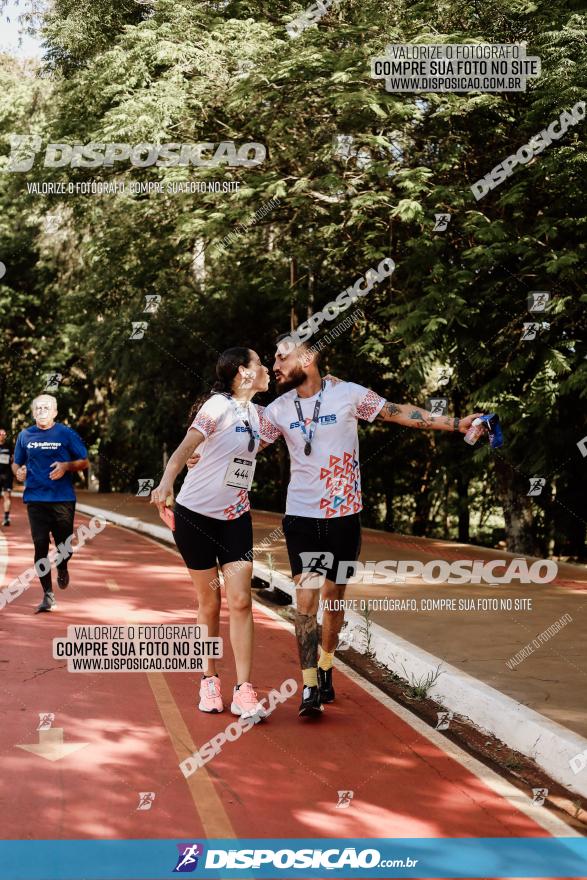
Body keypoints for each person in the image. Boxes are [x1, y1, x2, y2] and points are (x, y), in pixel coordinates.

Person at [257, 335, 482, 717]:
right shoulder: (278, 409)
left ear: (307, 358)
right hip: (302, 518)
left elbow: (398, 412)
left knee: (334, 599)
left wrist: (455, 424)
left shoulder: (347, 395)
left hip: (344, 519)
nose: (275, 364)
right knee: (306, 601)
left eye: (282, 356)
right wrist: (199, 454)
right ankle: (310, 685)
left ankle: (327, 664)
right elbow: (245, 447)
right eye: (274, 357)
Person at [150, 348, 270, 721]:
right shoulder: (217, 406)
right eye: (259, 364)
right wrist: (166, 484)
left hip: (235, 518)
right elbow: (184, 447)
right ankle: (209, 680)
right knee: (209, 603)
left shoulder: (260, 415)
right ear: (243, 373)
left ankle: (244, 690)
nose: (266, 369)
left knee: (241, 602)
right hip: (195, 517)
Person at [12, 395, 89, 613]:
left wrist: (65, 466)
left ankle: (63, 567)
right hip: (35, 499)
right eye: (38, 407)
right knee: (40, 545)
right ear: (33, 411)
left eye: (46, 407)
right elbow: (16, 463)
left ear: (55, 412)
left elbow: (84, 461)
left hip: (62, 498)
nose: (42, 410)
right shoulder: (24, 435)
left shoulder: (66, 433)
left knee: (64, 547)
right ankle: (48, 594)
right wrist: (18, 472)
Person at [0, 428, 13, 527]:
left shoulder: (9, 446)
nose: (2, 435)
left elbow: (13, 459)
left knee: (7, 496)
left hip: (7, 475)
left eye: (4, 434)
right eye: (0, 434)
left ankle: (6, 518)